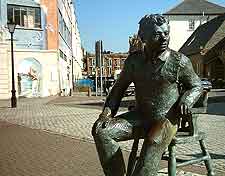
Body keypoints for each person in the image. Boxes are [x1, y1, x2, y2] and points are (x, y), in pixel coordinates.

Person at [92, 14, 203, 176]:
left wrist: (187, 99)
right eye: (158, 34)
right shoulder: (134, 62)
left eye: (167, 33)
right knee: (102, 131)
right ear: (143, 37)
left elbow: (196, 85)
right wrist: (106, 114)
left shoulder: (179, 61)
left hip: (167, 119)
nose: (164, 38)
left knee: (153, 141)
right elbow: (118, 89)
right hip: (140, 116)